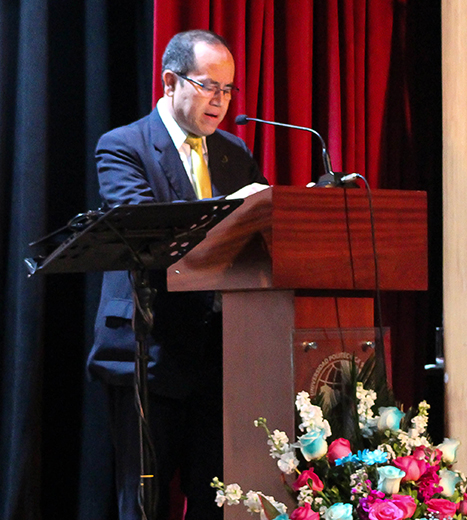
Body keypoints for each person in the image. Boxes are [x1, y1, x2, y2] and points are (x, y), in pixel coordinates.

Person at [88, 30, 267, 520]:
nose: (221, 101)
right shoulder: (123, 146)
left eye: (228, 90)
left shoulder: (233, 152)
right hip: (149, 353)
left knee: (217, 499)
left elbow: (259, 236)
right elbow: (149, 238)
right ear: (170, 82)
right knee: (144, 504)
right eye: (209, 86)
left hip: (219, 357)